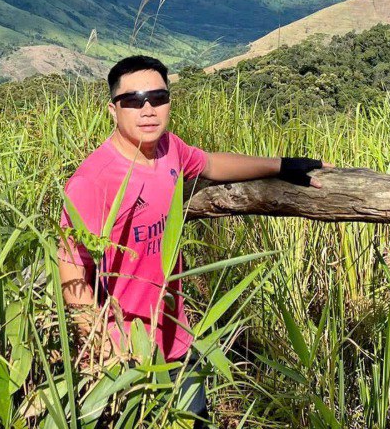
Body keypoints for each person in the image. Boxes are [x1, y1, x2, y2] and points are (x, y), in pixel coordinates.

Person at [57, 54, 327, 421]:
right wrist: (101, 348)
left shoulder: (168, 149)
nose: (148, 109)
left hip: (176, 335)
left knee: (194, 419)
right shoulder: (94, 180)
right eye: (133, 101)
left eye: (158, 97)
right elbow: (72, 269)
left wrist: (280, 165)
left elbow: (211, 164)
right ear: (113, 110)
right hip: (125, 353)